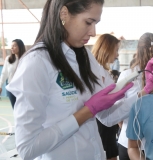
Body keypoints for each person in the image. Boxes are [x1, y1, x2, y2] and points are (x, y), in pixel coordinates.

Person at [5, 1, 136, 160]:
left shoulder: (85, 56)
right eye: (88, 22)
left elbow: (107, 117)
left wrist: (145, 93)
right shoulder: (37, 63)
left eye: (95, 23)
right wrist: (86, 112)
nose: (94, 32)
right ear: (64, 14)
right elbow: (27, 148)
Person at [117, 32, 153, 160]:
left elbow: (117, 111)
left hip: (127, 141)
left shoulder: (126, 75)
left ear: (137, 50)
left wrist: (126, 128)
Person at [92, 33, 120, 160]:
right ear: (107, 50)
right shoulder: (94, 71)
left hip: (107, 122)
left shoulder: (102, 71)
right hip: (101, 123)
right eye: (116, 50)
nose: (117, 54)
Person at [0, 39, 25, 109]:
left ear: (20, 47)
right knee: (15, 109)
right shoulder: (8, 59)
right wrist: (0, 85)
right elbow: (4, 73)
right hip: (11, 88)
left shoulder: (26, 58)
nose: (12, 48)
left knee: (22, 109)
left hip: (22, 88)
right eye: (11, 46)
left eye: (14, 46)